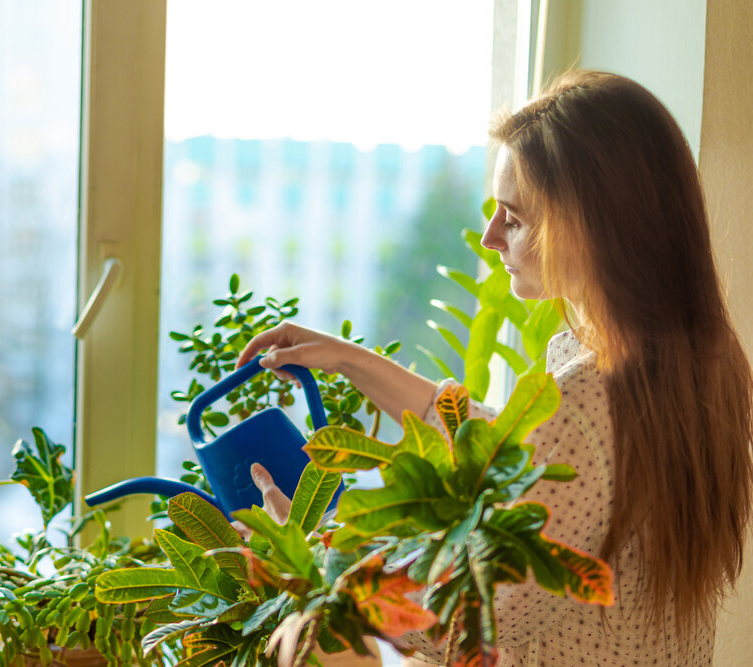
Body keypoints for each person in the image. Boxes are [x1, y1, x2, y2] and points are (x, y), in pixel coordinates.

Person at [236, 70, 753, 665]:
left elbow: (458, 623)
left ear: (592, 224)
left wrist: (304, 555)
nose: (489, 237)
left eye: (513, 217)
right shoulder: (701, 359)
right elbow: (525, 458)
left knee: (306, 641)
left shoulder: (586, 400)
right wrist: (351, 360)